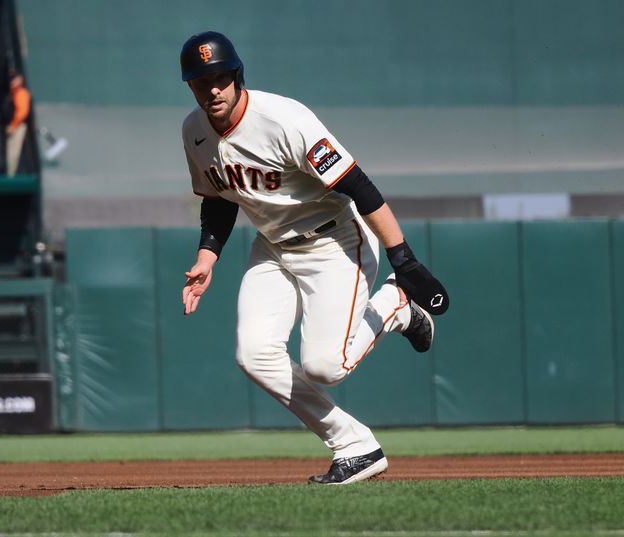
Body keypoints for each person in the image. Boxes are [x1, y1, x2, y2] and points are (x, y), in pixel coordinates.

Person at [179, 31, 449, 485]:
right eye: (201, 80)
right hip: (272, 248)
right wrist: (207, 256)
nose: (212, 89)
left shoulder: (285, 121)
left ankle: (396, 305)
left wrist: (404, 259)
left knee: (325, 367)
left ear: (237, 76)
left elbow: (359, 188)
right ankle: (355, 446)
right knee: (254, 354)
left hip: (335, 243)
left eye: (221, 77)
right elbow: (220, 198)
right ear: (189, 86)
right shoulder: (194, 131)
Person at [4, 68, 30, 177]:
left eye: (14, 79)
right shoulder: (12, 93)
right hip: (13, 126)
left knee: (13, 153)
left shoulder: (21, 93)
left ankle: (10, 177)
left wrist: (13, 125)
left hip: (18, 127)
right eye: (11, 79)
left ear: (20, 79)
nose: (12, 81)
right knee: (10, 152)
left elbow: (22, 112)